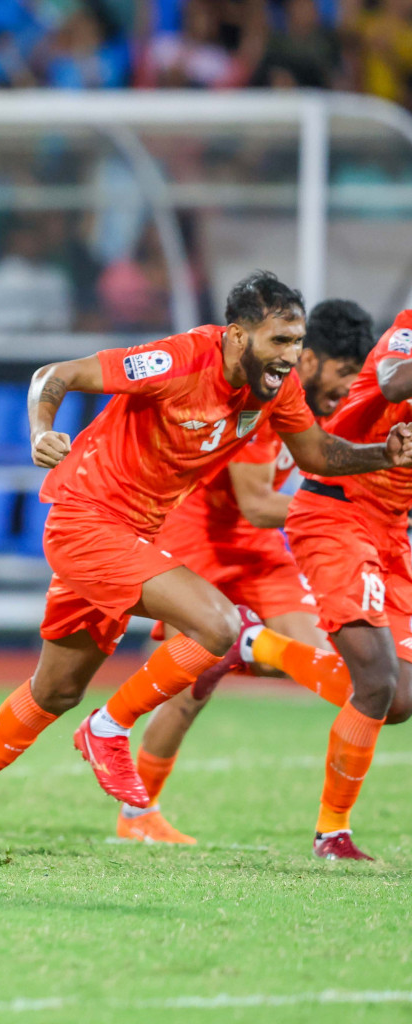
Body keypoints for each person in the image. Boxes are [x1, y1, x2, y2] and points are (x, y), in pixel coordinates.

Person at [0, 271, 412, 858]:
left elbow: (318, 455)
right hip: (85, 520)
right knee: (218, 626)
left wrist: (383, 451)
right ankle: (108, 728)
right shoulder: (178, 359)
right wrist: (41, 430)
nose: (289, 356)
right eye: (278, 341)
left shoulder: (276, 389)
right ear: (236, 336)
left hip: (133, 532)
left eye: (297, 342)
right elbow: (58, 374)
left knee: (56, 688)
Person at [114, 299, 376, 844]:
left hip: (254, 547)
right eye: (344, 372)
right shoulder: (262, 395)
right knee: (189, 689)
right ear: (309, 359)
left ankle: (240, 646)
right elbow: (257, 502)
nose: (348, 388)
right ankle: (138, 815)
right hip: (199, 534)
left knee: (313, 660)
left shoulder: (316, 407)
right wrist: (350, 508)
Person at [228, 303, 412, 859]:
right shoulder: (406, 332)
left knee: (399, 698)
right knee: (376, 682)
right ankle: (332, 833)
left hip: (392, 531)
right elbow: (392, 379)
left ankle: (255, 642)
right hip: (337, 514)